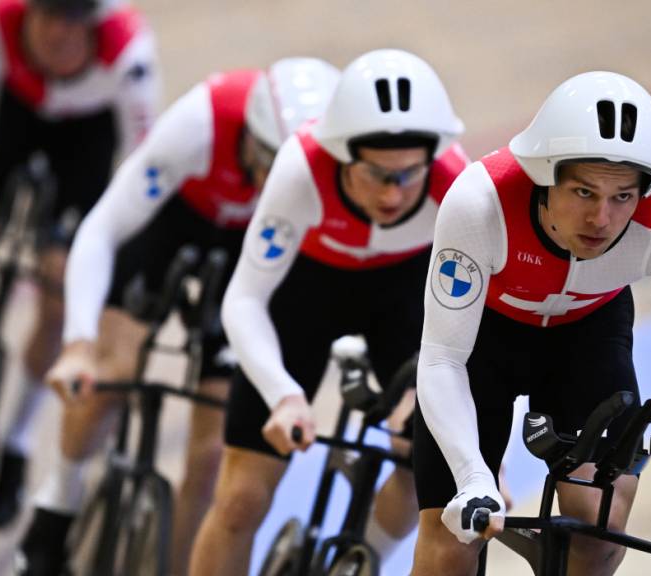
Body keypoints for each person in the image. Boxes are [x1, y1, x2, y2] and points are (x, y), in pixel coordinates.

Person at [12, 57, 340, 576]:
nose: (273, 184)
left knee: (212, 456)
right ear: (249, 139)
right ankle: (58, 505)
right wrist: (78, 343)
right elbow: (100, 231)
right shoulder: (199, 124)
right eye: (267, 165)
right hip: (169, 224)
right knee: (110, 374)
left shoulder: (331, 170)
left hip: (250, 252)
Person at [411, 71, 651, 576]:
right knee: (452, 542)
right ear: (545, 177)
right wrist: (475, 477)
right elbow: (442, 357)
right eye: (584, 192)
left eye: (622, 197)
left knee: (598, 536)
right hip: (485, 338)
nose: (601, 219)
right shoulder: (481, 200)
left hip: (587, 332)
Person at [189, 48, 468, 576]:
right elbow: (244, 298)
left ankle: (353, 564)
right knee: (242, 498)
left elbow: (481, 320)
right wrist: (284, 396)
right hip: (305, 291)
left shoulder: (458, 182)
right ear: (341, 156)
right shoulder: (301, 166)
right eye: (376, 174)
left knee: (423, 464)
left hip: (402, 295)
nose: (394, 192)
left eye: (409, 175)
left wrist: (481, 451)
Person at [0, 0, 158, 528]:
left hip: (86, 144)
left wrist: (103, 251)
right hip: (14, 120)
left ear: (94, 22)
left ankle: (16, 446)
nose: (62, 32)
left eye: (76, 20)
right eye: (51, 16)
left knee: (59, 292)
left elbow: (139, 165)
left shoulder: (129, 53)